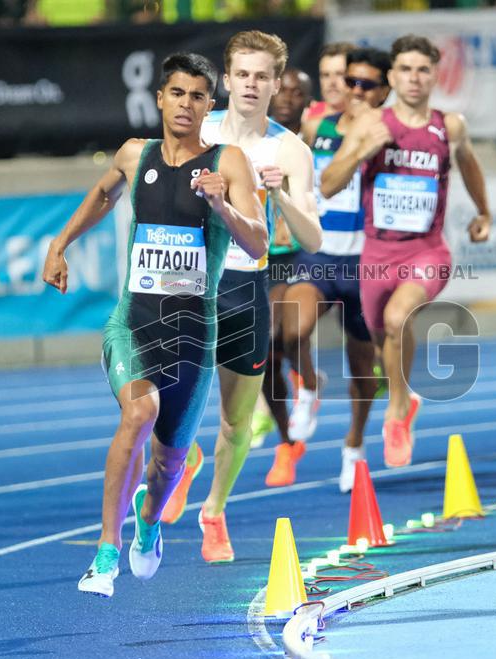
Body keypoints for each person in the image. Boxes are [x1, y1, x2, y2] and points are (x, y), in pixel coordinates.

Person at [42, 53, 267, 597]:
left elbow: (258, 243)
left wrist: (222, 206)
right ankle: (105, 552)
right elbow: (104, 194)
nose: (186, 104)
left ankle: (148, 520)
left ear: (209, 105)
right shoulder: (133, 154)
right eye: (177, 93)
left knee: (166, 468)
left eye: (198, 96)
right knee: (139, 411)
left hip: (193, 337)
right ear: (160, 98)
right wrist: (60, 243)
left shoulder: (229, 162)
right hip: (133, 324)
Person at [160, 30, 322, 563]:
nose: (251, 85)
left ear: (276, 84)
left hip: (244, 286)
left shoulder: (289, 149)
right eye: (243, 75)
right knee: (161, 395)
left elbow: (312, 238)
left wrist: (279, 194)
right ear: (226, 80)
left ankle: (214, 512)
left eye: (262, 76)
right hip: (185, 281)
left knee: (236, 420)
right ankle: (183, 458)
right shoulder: (196, 126)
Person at [321, 34, 491, 468]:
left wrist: (484, 212)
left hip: (428, 251)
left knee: (399, 318)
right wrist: (363, 150)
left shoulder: (449, 126)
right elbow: (327, 185)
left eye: (423, 70)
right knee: (385, 339)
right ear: (392, 77)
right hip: (377, 255)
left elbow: (469, 165)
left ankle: (397, 412)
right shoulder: (370, 124)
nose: (414, 78)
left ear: (434, 76)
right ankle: (405, 398)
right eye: (405, 70)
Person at [269, 47, 392, 492]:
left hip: (365, 264)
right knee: (291, 329)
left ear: (380, 90)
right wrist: (286, 213)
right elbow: (293, 175)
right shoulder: (315, 126)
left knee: (363, 370)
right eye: (341, 79)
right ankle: (308, 386)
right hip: (318, 256)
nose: (347, 87)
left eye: (357, 81)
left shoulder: (387, 132)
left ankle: (354, 445)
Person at [249, 65, 315, 452]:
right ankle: (287, 438)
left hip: (302, 254)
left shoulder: (314, 142)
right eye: (283, 90)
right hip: (261, 255)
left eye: (297, 92)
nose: (288, 98)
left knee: (280, 334)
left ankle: (309, 384)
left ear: (308, 101)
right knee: (265, 355)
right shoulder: (255, 139)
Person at [304, 42, 354, 121]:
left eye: (340, 74)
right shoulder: (305, 116)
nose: (332, 82)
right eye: (325, 75)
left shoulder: (370, 120)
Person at [269, 67, 314, 136]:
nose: (287, 99)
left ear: (308, 102)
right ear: (270, 95)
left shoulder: (314, 138)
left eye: (297, 94)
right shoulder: (254, 131)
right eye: (281, 90)